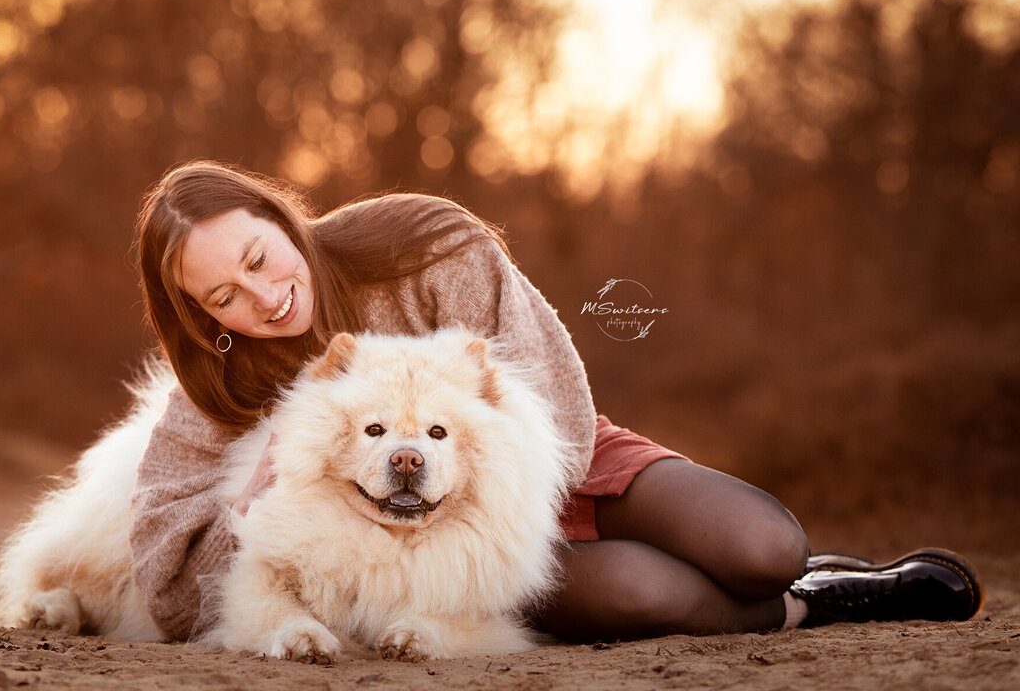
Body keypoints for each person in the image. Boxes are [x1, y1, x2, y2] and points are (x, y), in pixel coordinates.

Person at [129, 160, 982, 643]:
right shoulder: (222, 386)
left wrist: (513, 504)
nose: (260, 298)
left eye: (255, 258)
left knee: (763, 544)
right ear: (205, 321)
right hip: (450, 553)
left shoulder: (418, 244)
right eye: (222, 299)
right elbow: (169, 587)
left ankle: (806, 571)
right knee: (648, 598)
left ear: (282, 220)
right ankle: (827, 603)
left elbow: (551, 390)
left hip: (555, 468)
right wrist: (252, 501)